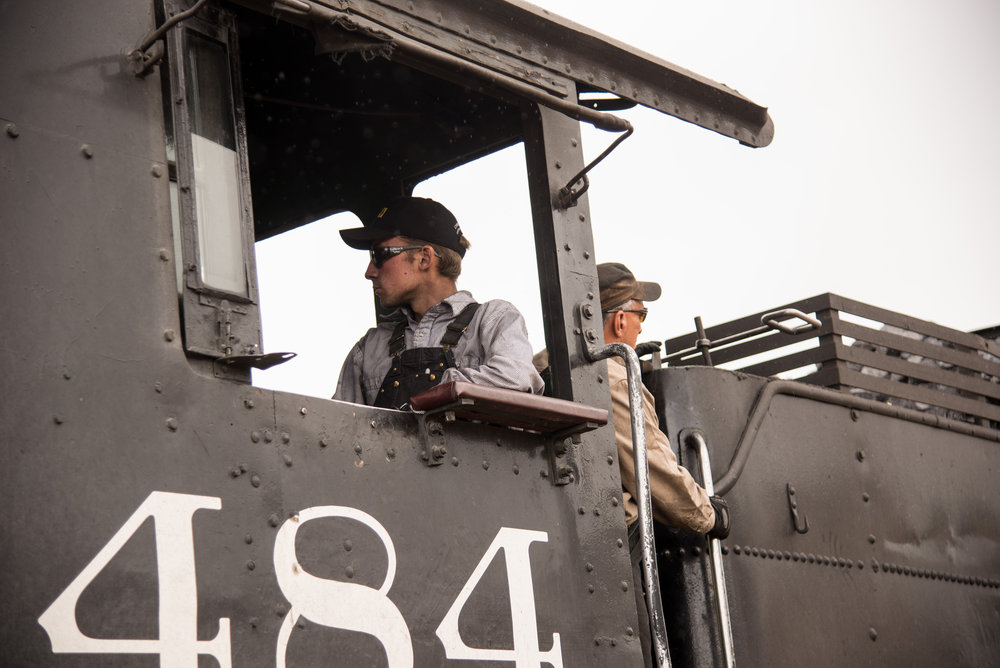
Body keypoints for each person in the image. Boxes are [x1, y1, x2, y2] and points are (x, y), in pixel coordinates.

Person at [598, 261, 729, 668]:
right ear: (620, 320)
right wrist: (708, 513)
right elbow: (652, 469)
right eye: (641, 314)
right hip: (609, 547)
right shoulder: (613, 377)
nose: (641, 326)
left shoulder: (548, 366)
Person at [333, 196, 544, 408]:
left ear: (424, 258)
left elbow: (517, 381)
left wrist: (436, 390)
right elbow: (337, 430)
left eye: (379, 255)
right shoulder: (369, 348)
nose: (369, 272)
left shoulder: (492, 320)